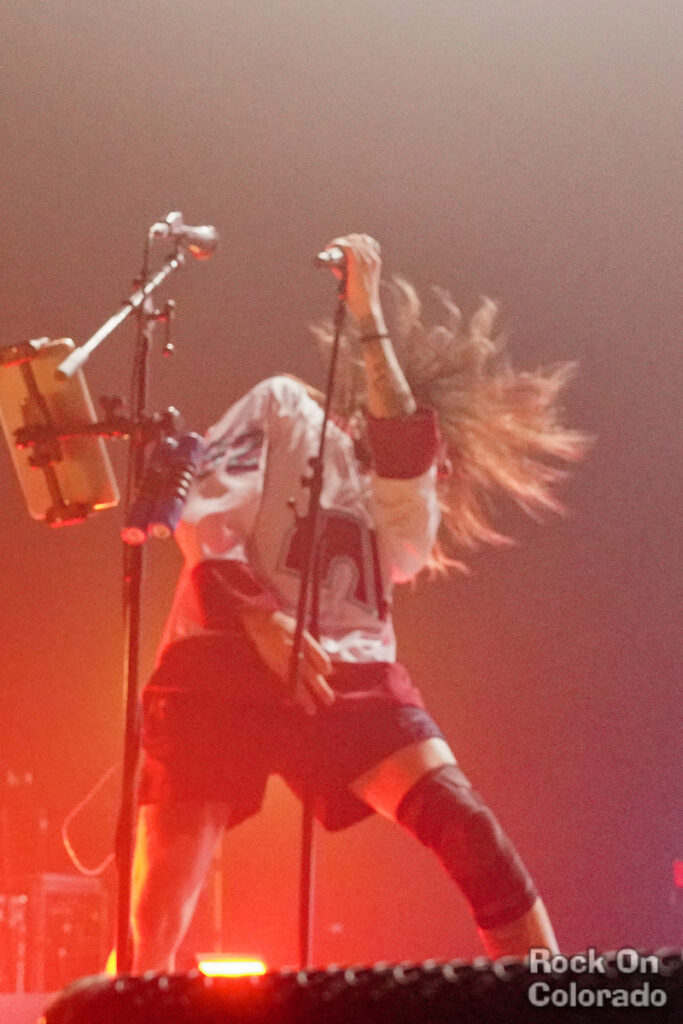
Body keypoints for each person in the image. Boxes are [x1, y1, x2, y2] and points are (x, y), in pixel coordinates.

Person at [131, 234, 585, 971]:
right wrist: (261, 615)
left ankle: (553, 996)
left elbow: (403, 479)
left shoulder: (404, 491)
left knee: (470, 833)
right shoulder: (284, 405)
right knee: (159, 907)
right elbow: (207, 512)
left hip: (349, 676)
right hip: (223, 664)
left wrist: (373, 331)